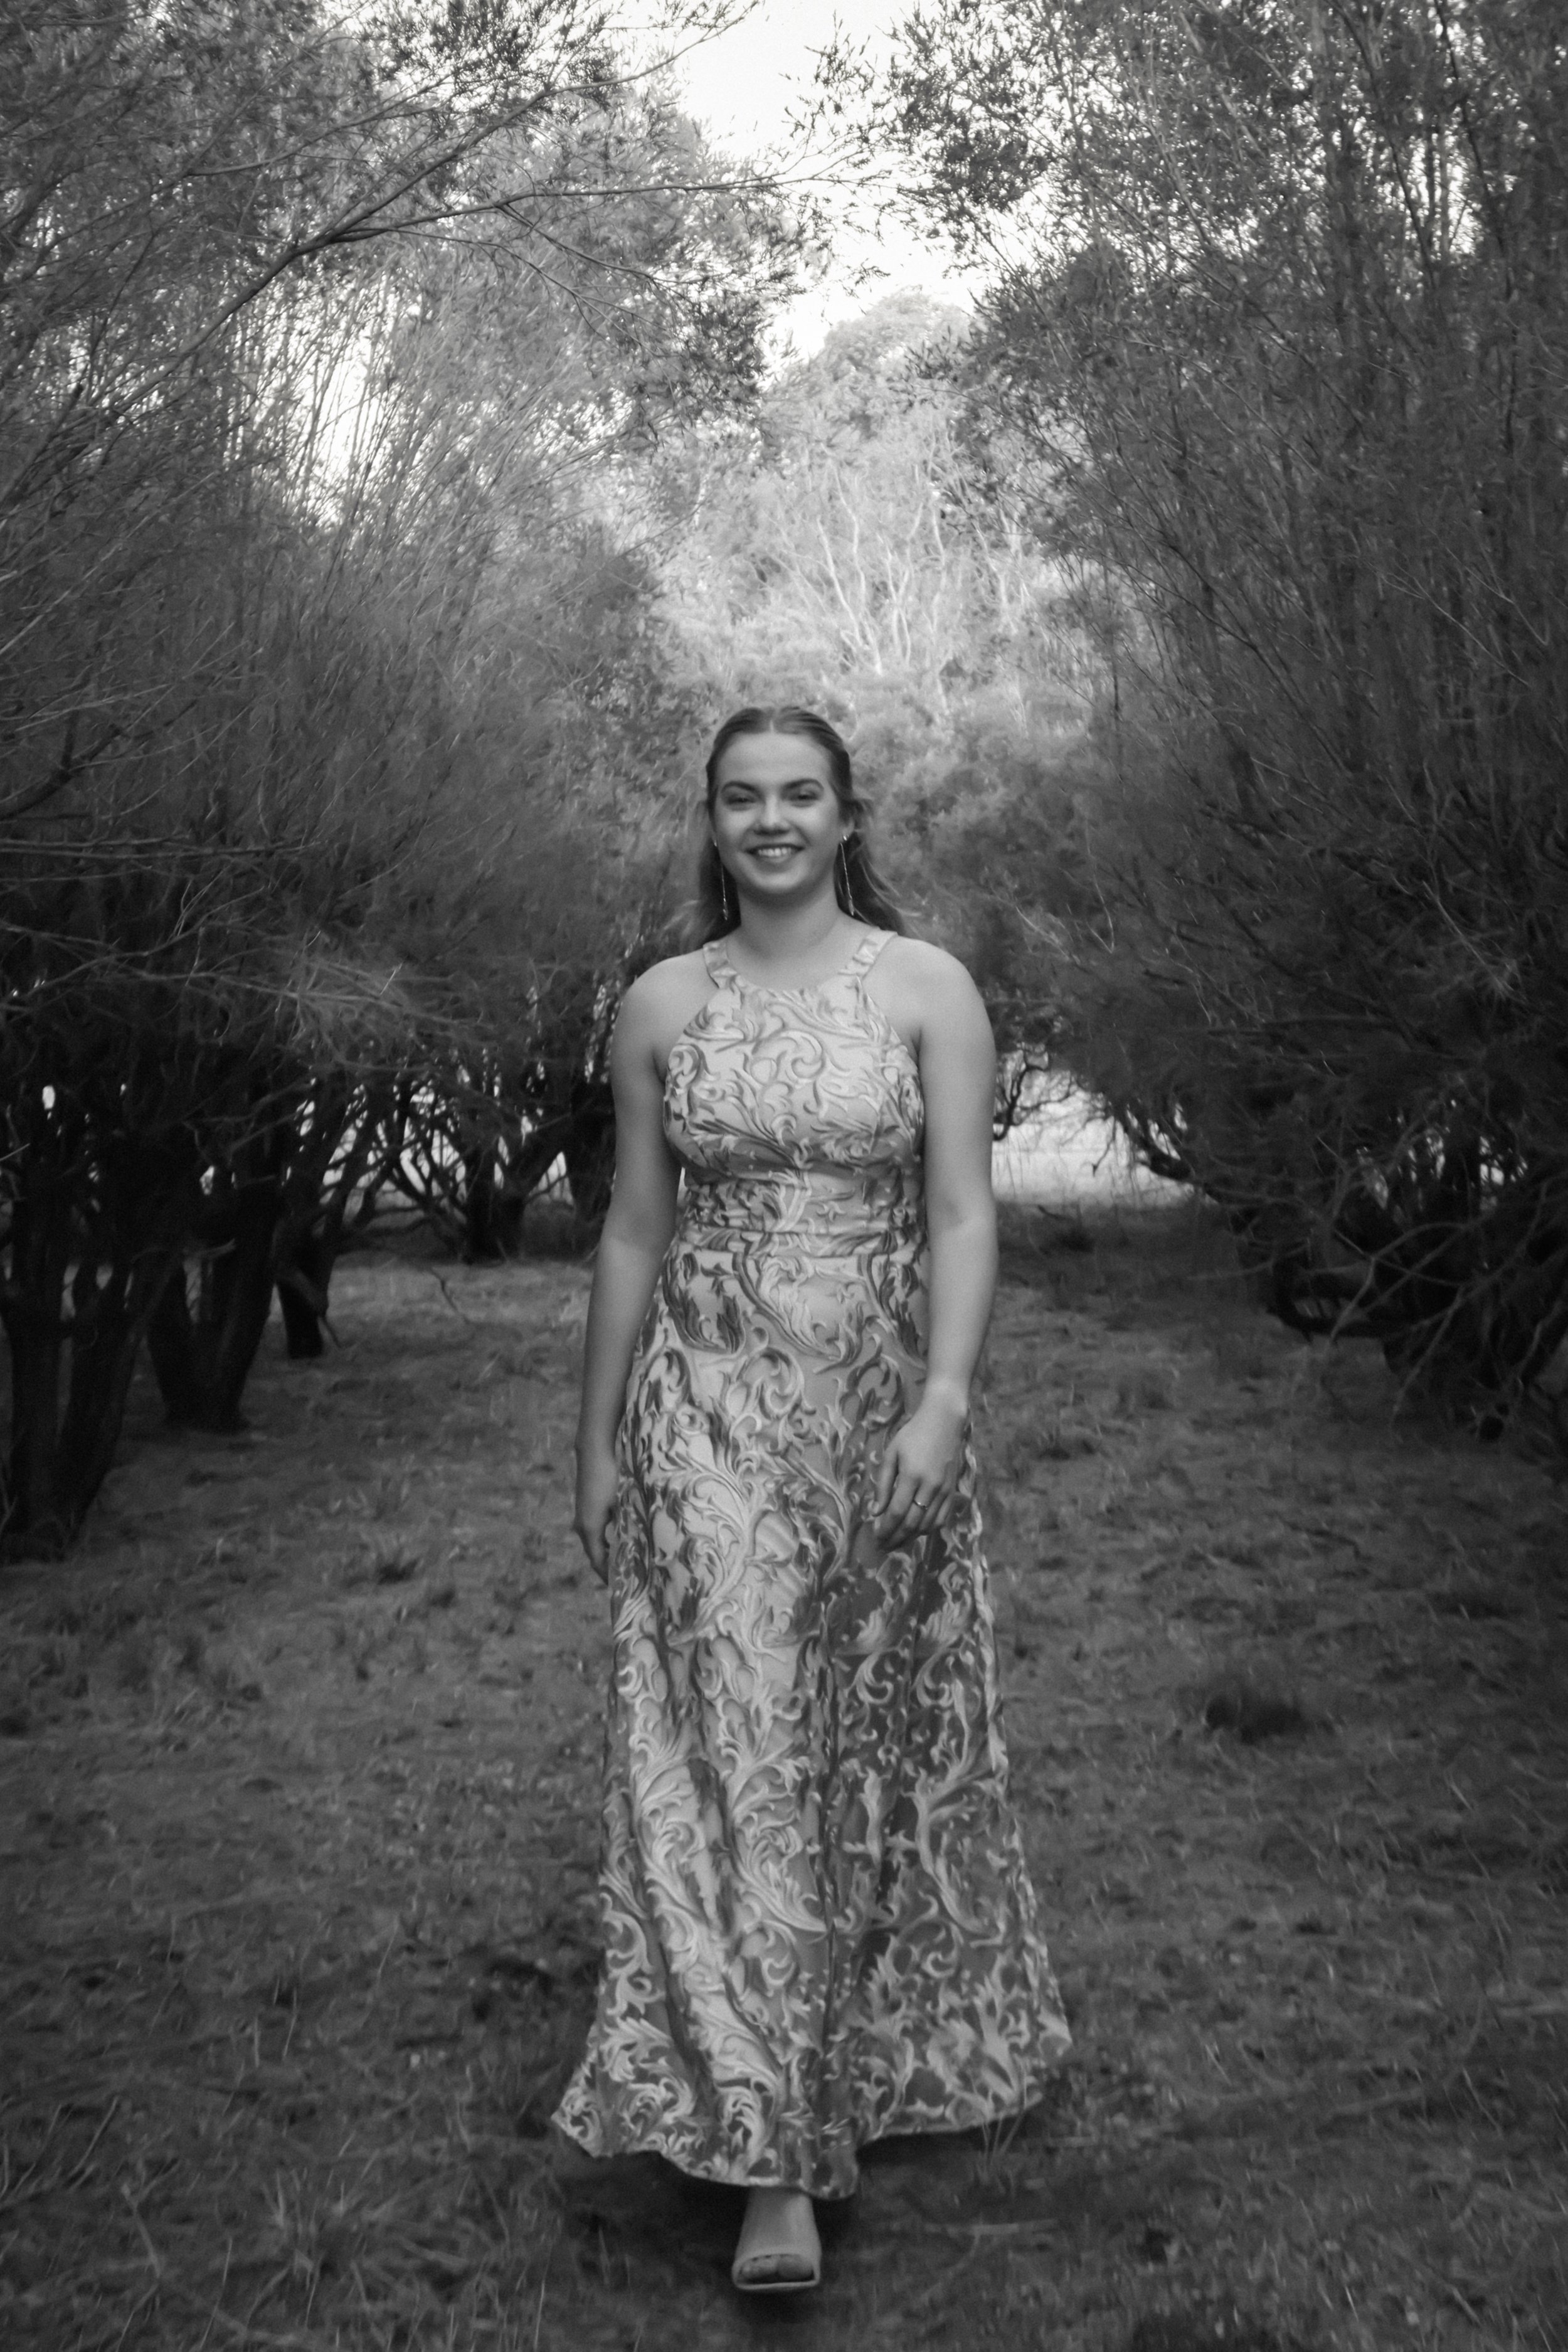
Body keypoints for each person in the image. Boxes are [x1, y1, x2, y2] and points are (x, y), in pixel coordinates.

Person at [554, 706, 1069, 2293]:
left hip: (874, 1424)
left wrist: (944, 1398)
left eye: (798, 796)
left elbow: (962, 1213)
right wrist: (596, 1443)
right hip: (703, 1421)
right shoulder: (661, 1003)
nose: (769, 821)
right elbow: (633, 1228)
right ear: (710, 821)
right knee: (738, 1756)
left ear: (848, 817)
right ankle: (768, 2156)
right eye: (740, 798)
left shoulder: (925, 988)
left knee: (858, 1753)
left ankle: (855, 2050)